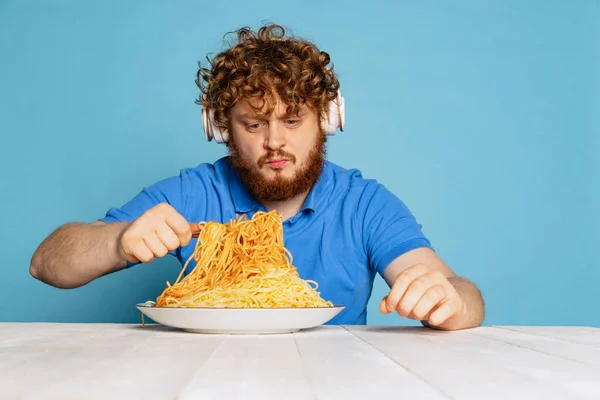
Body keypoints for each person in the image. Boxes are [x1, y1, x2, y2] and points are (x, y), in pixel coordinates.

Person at [30, 23, 484, 330]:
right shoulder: (194, 192)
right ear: (222, 129)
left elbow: (464, 293)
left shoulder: (362, 203)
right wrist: (116, 240)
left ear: (325, 120)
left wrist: (449, 301)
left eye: (292, 121)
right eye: (253, 124)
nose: (274, 143)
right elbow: (46, 263)